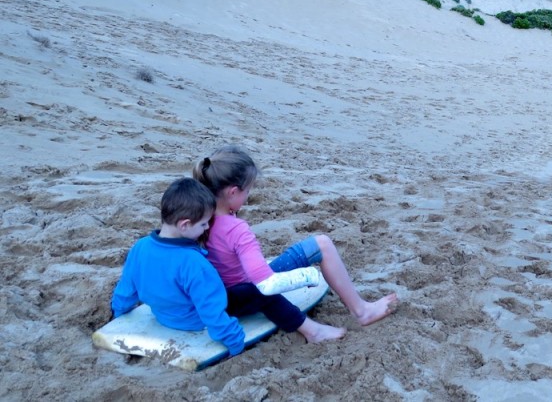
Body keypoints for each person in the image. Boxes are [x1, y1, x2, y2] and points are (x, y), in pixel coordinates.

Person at [193, 145, 398, 345]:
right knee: (323, 245)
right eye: (248, 190)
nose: (249, 196)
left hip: (215, 293)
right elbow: (266, 284)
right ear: (232, 192)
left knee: (319, 244)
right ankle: (360, 312)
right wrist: (306, 277)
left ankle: (360, 310)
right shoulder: (236, 229)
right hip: (240, 295)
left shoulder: (195, 217)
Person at [110, 178, 246, 357]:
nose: (206, 228)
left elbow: (126, 289)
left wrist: (119, 315)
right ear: (184, 225)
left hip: (162, 315)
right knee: (255, 294)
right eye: (204, 224)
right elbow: (211, 309)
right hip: (193, 322)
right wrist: (236, 344)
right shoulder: (194, 263)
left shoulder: (140, 247)